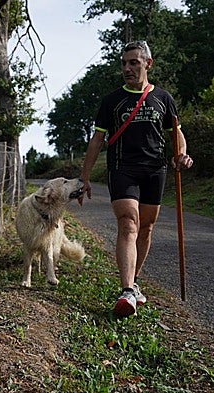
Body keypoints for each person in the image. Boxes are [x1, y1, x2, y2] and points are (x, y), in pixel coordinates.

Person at [78, 40, 193, 317]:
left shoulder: (163, 98)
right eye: (124, 63)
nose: (127, 68)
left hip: (155, 169)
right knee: (129, 223)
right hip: (122, 168)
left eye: (134, 63)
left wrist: (182, 154)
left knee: (147, 227)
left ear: (147, 64)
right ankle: (127, 290)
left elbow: (175, 132)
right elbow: (97, 140)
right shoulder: (112, 101)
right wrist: (85, 178)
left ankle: (134, 283)